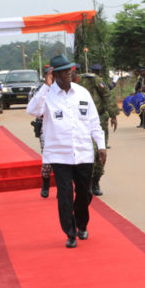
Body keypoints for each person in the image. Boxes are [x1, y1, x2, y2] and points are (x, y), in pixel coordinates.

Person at [26, 54, 106, 247]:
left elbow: (94, 122)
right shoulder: (47, 95)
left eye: (69, 70)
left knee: (85, 192)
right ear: (54, 74)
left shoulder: (82, 93)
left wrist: (101, 145)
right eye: (63, 71)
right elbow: (32, 110)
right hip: (59, 154)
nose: (69, 74)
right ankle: (69, 233)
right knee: (64, 195)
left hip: (84, 152)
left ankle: (81, 223)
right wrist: (46, 86)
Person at [79, 63, 119, 196]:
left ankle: (95, 182)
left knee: (101, 151)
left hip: (99, 119)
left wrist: (112, 114)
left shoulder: (94, 80)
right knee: (88, 152)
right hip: (82, 121)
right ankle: (88, 183)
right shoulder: (75, 83)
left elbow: (106, 95)